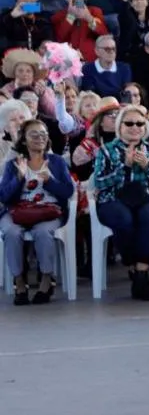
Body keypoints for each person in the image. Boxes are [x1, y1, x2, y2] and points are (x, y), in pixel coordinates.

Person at [93, 104, 149, 301]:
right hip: (113, 199)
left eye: (140, 123)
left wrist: (148, 167)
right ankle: (134, 266)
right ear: (120, 126)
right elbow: (100, 182)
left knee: (147, 217)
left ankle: (140, 274)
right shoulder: (106, 150)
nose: (135, 127)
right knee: (123, 218)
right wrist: (124, 166)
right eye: (129, 123)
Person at [0, 119, 74, 305]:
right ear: (24, 139)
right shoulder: (14, 164)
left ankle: (46, 280)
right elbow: (4, 196)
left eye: (43, 134)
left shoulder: (56, 162)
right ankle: (19, 281)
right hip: (18, 211)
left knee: (42, 232)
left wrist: (50, 181)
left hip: (48, 211)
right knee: (11, 231)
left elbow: (68, 192)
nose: (40, 138)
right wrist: (19, 177)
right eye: (34, 134)